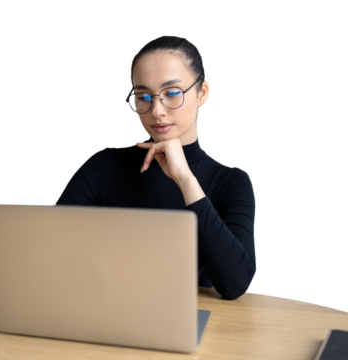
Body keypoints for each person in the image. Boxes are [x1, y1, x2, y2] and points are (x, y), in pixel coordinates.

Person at [55, 34, 256, 300]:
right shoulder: (104, 165)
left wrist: (185, 178)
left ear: (202, 93)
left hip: (193, 327)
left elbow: (235, 284)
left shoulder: (231, 181)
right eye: (143, 96)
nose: (156, 110)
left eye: (172, 93)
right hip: (106, 312)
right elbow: (52, 248)